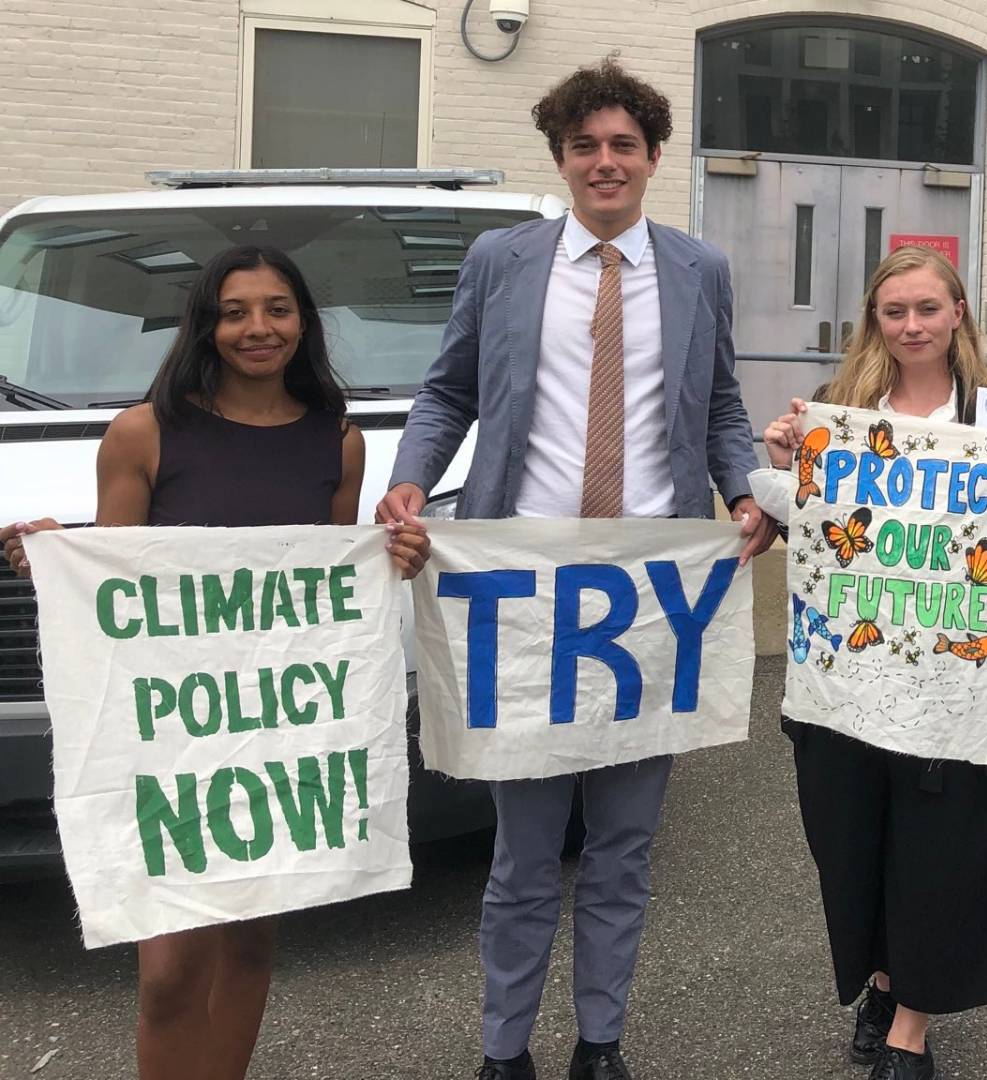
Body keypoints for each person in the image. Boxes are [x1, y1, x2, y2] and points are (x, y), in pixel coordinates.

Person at [373, 59, 773, 1080]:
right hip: (524, 583)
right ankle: (504, 1051)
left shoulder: (698, 270)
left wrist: (740, 490)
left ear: (649, 160)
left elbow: (721, 406)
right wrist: (413, 479)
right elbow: (448, 390)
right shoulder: (503, 262)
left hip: (651, 594)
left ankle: (602, 1042)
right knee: (522, 852)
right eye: (586, 145)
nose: (605, 162)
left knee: (625, 845)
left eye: (623, 146)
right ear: (561, 158)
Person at [2, 245, 430, 1080]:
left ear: (303, 322)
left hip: (279, 731)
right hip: (171, 733)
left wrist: (395, 557)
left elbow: (329, 583)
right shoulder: (144, 433)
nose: (257, 328)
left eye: (276, 308)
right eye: (235, 311)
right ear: (206, 324)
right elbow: (119, 582)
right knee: (166, 973)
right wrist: (57, 560)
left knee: (251, 940)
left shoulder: (336, 441)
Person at [763, 245, 987, 1080]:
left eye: (927, 310)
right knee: (851, 844)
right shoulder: (841, 409)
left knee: (942, 857)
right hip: (844, 677)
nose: (910, 326)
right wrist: (784, 464)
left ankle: (911, 1029)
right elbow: (811, 538)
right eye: (893, 311)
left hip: (957, 683)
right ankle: (881, 978)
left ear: (958, 314)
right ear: (876, 319)